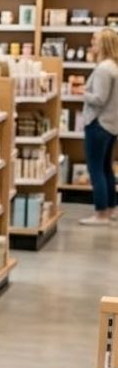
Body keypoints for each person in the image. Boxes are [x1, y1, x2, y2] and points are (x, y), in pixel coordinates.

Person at [80, 27, 118, 225]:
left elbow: (99, 99)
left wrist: (81, 92)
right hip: (111, 124)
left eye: (94, 41)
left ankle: (100, 213)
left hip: (98, 123)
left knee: (96, 169)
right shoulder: (114, 66)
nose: (91, 44)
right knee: (105, 168)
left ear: (103, 44)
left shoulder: (103, 68)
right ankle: (110, 209)